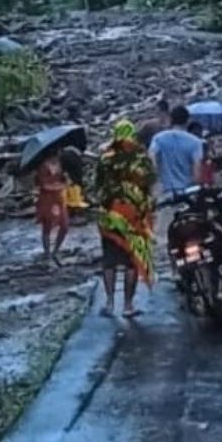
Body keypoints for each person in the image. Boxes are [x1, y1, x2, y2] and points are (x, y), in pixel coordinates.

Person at [94, 120, 157, 318]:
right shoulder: (141, 158)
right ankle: (128, 305)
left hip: (110, 215)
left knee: (109, 261)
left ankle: (110, 303)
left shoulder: (105, 158)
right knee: (131, 261)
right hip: (134, 216)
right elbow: (150, 183)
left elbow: (97, 186)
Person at [149, 105, 204, 233]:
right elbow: (197, 172)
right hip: (188, 195)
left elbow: (151, 158)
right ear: (187, 121)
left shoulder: (158, 138)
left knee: (166, 234)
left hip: (166, 195)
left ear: (171, 119)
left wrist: (155, 179)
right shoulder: (196, 142)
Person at [35, 151, 69, 267]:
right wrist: (59, 186)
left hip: (59, 199)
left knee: (65, 225)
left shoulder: (59, 163)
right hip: (47, 199)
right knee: (47, 225)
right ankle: (47, 253)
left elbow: (62, 178)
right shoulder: (43, 166)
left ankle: (55, 251)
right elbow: (43, 184)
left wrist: (65, 180)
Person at [187, 122, 216, 188]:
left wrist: (211, 146)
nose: (197, 132)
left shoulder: (204, 142)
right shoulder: (187, 142)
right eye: (195, 131)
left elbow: (212, 154)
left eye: (199, 130)